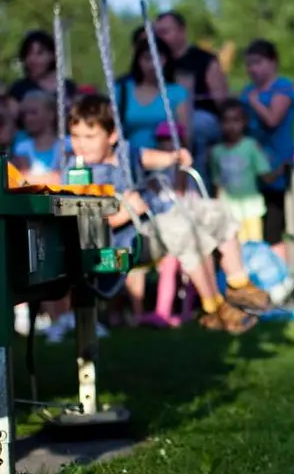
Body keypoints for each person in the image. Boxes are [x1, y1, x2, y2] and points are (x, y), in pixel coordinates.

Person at [65, 94, 271, 334]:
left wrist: (173, 157)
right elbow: (82, 223)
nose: (81, 144)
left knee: (218, 212)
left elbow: (145, 157)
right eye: (75, 136)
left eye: (89, 136)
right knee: (185, 230)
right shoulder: (78, 173)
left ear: (112, 136)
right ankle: (213, 306)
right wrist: (124, 212)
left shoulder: (123, 152)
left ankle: (238, 284)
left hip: (155, 216)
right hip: (128, 239)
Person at [154, 11, 229, 185]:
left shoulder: (204, 60)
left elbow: (222, 101)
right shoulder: (157, 64)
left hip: (200, 120)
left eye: (166, 31)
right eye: (158, 33)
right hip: (166, 122)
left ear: (182, 31)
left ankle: (198, 183)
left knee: (196, 125)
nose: (161, 37)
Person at [240, 40, 294, 262]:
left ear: (272, 62)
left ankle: (284, 272)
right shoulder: (247, 91)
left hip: (279, 167)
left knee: (277, 224)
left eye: (257, 62)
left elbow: (273, 119)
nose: (252, 69)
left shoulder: (282, 86)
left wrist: (254, 102)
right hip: (252, 171)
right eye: (248, 64)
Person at [211, 99, 276, 244]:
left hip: (251, 209)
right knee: (232, 247)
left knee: (254, 247)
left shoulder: (251, 146)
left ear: (244, 122)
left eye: (236, 120)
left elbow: (265, 175)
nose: (231, 126)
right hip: (228, 211)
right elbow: (217, 183)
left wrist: (281, 170)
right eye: (226, 121)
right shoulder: (216, 152)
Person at [116, 35, 191, 160]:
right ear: (138, 61)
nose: (152, 64)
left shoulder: (177, 92)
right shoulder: (122, 90)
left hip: (166, 161)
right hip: (130, 161)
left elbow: (184, 135)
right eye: (147, 58)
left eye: (158, 58)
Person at [12, 90, 63, 185]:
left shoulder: (66, 144)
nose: (28, 118)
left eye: (33, 112)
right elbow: (22, 179)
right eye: (24, 114)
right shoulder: (22, 147)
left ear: (51, 114)